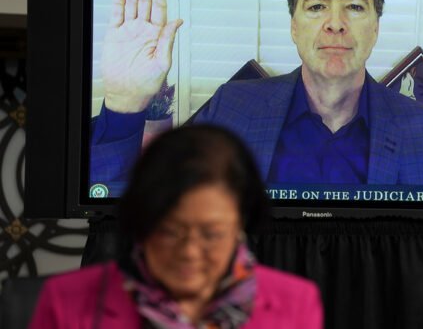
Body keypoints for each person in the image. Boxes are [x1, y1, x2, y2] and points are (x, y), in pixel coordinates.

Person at [91, 0, 423, 187]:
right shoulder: (232, 108)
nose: (335, 23)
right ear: (294, 26)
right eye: (317, 6)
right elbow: (147, 214)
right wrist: (125, 105)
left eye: (355, 6)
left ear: (375, 27)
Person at [30, 125, 324, 328]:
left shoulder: (295, 303)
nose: (190, 252)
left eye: (211, 234)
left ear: (240, 227)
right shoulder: (66, 301)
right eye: (170, 232)